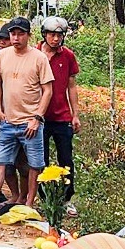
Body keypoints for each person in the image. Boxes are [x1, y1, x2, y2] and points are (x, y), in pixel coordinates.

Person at [0, 18, 53, 213]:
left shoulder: (39, 58)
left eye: (20, 34)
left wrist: (37, 117)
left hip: (31, 121)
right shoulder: (2, 55)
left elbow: (47, 90)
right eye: (13, 34)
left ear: (28, 35)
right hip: (8, 121)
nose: (16, 38)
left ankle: (29, 204)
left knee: (34, 165)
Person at [39, 16, 79, 179]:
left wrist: (75, 114)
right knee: (40, 160)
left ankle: (66, 197)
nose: (56, 39)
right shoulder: (34, 54)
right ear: (44, 34)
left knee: (66, 160)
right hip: (39, 116)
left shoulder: (68, 55)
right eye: (51, 35)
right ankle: (43, 196)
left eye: (59, 35)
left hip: (61, 116)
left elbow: (71, 86)